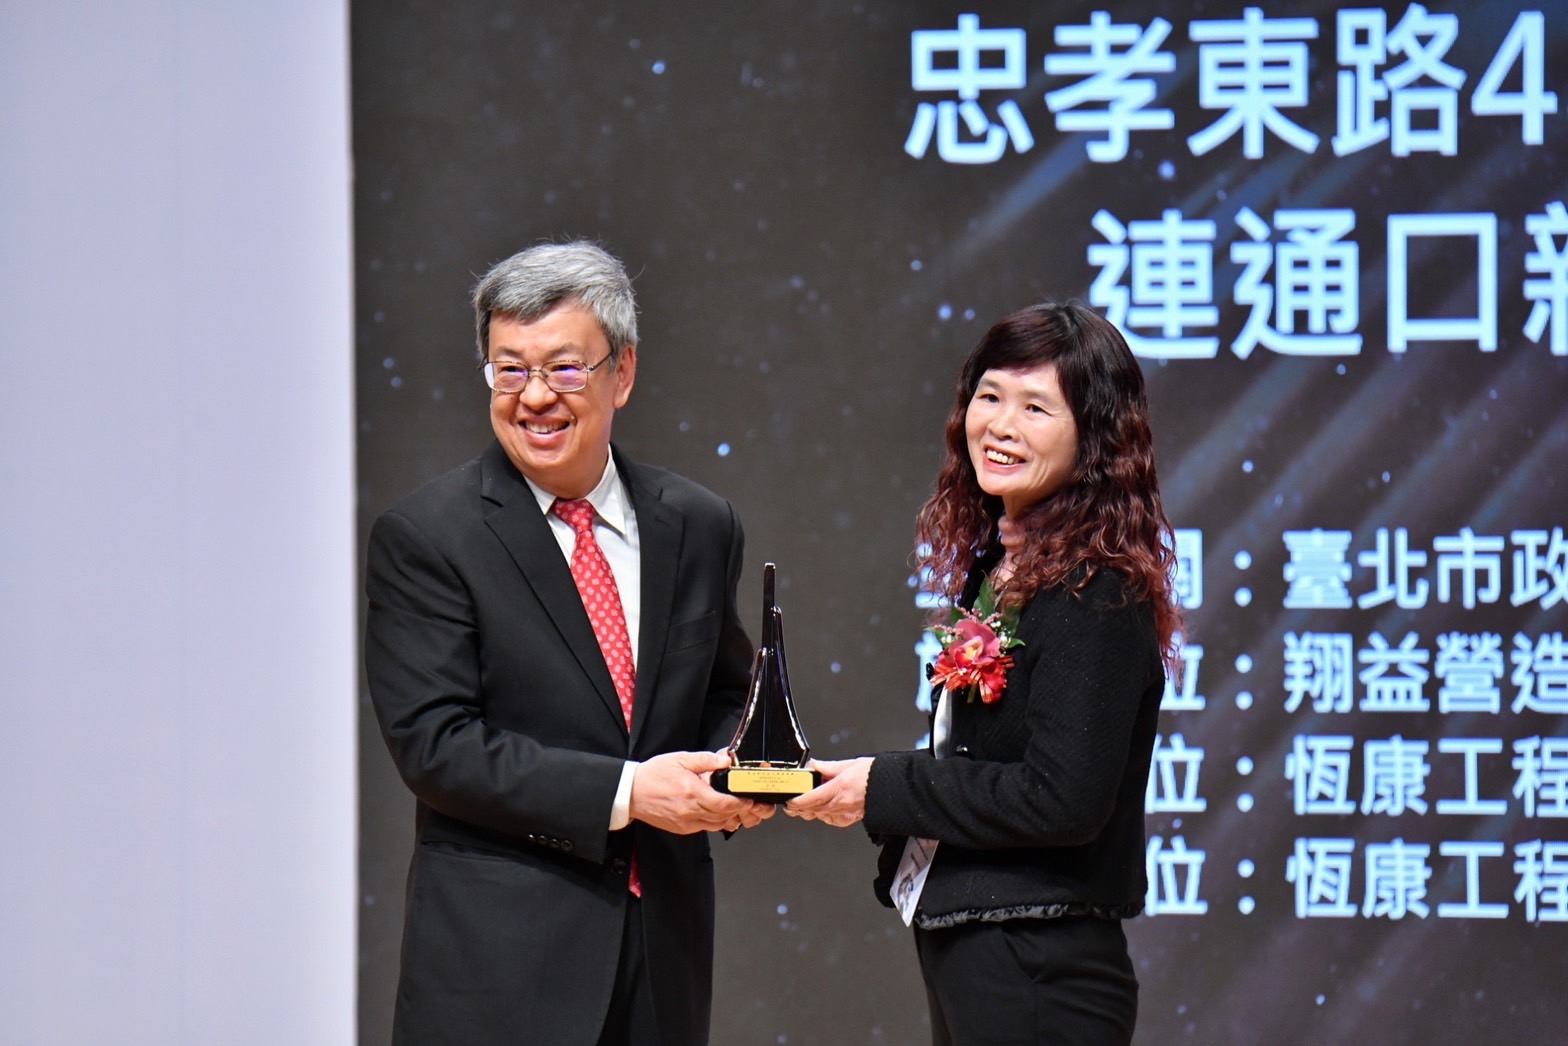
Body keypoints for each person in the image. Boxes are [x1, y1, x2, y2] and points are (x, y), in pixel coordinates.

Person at [365, 240, 775, 1046]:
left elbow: (727, 692)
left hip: (662, 962)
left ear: (623, 372)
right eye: (509, 370)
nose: (534, 397)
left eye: (564, 368)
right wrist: (631, 792)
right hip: (500, 971)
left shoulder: (698, 523)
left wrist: (739, 771)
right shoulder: (428, 537)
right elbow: (437, 746)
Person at [787, 301, 1181, 1045]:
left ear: (1094, 438)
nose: (1000, 425)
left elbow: (1062, 800)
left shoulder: (1095, 589)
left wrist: (884, 786)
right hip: (988, 949)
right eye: (990, 395)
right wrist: (872, 789)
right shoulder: (1005, 565)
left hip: (1040, 963)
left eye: (1035, 407)